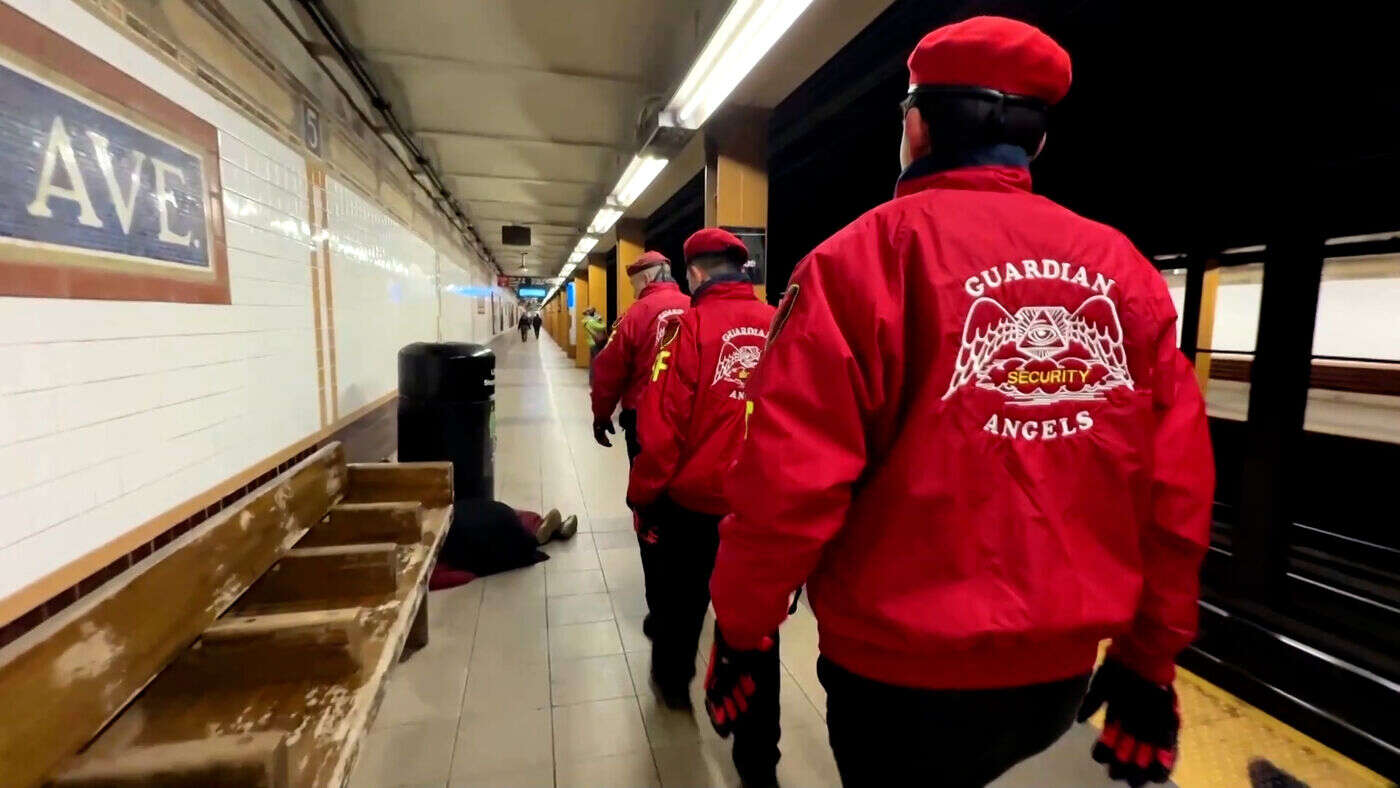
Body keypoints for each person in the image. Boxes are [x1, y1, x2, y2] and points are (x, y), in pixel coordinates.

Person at [704, 17, 1214, 788]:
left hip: (892, 678)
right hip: (1054, 681)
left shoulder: (854, 263)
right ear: (1036, 143)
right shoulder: (1127, 274)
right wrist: (1151, 659)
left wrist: (742, 632)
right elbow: (1176, 492)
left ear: (914, 126)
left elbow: (786, 485)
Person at [627, 229, 779, 787]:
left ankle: (672, 683)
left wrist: (644, 493)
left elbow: (661, 427)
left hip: (695, 504)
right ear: (743, 270)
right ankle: (759, 761)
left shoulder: (689, 329)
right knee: (758, 630)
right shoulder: (780, 326)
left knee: (681, 598)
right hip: (762, 511)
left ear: (692, 274)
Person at [590, 250, 689, 460]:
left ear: (646, 278)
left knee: (643, 484)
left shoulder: (633, 315)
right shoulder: (695, 307)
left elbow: (608, 372)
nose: (635, 294)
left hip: (643, 416)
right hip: (688, 416)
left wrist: (602, 415)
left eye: (634, 286)